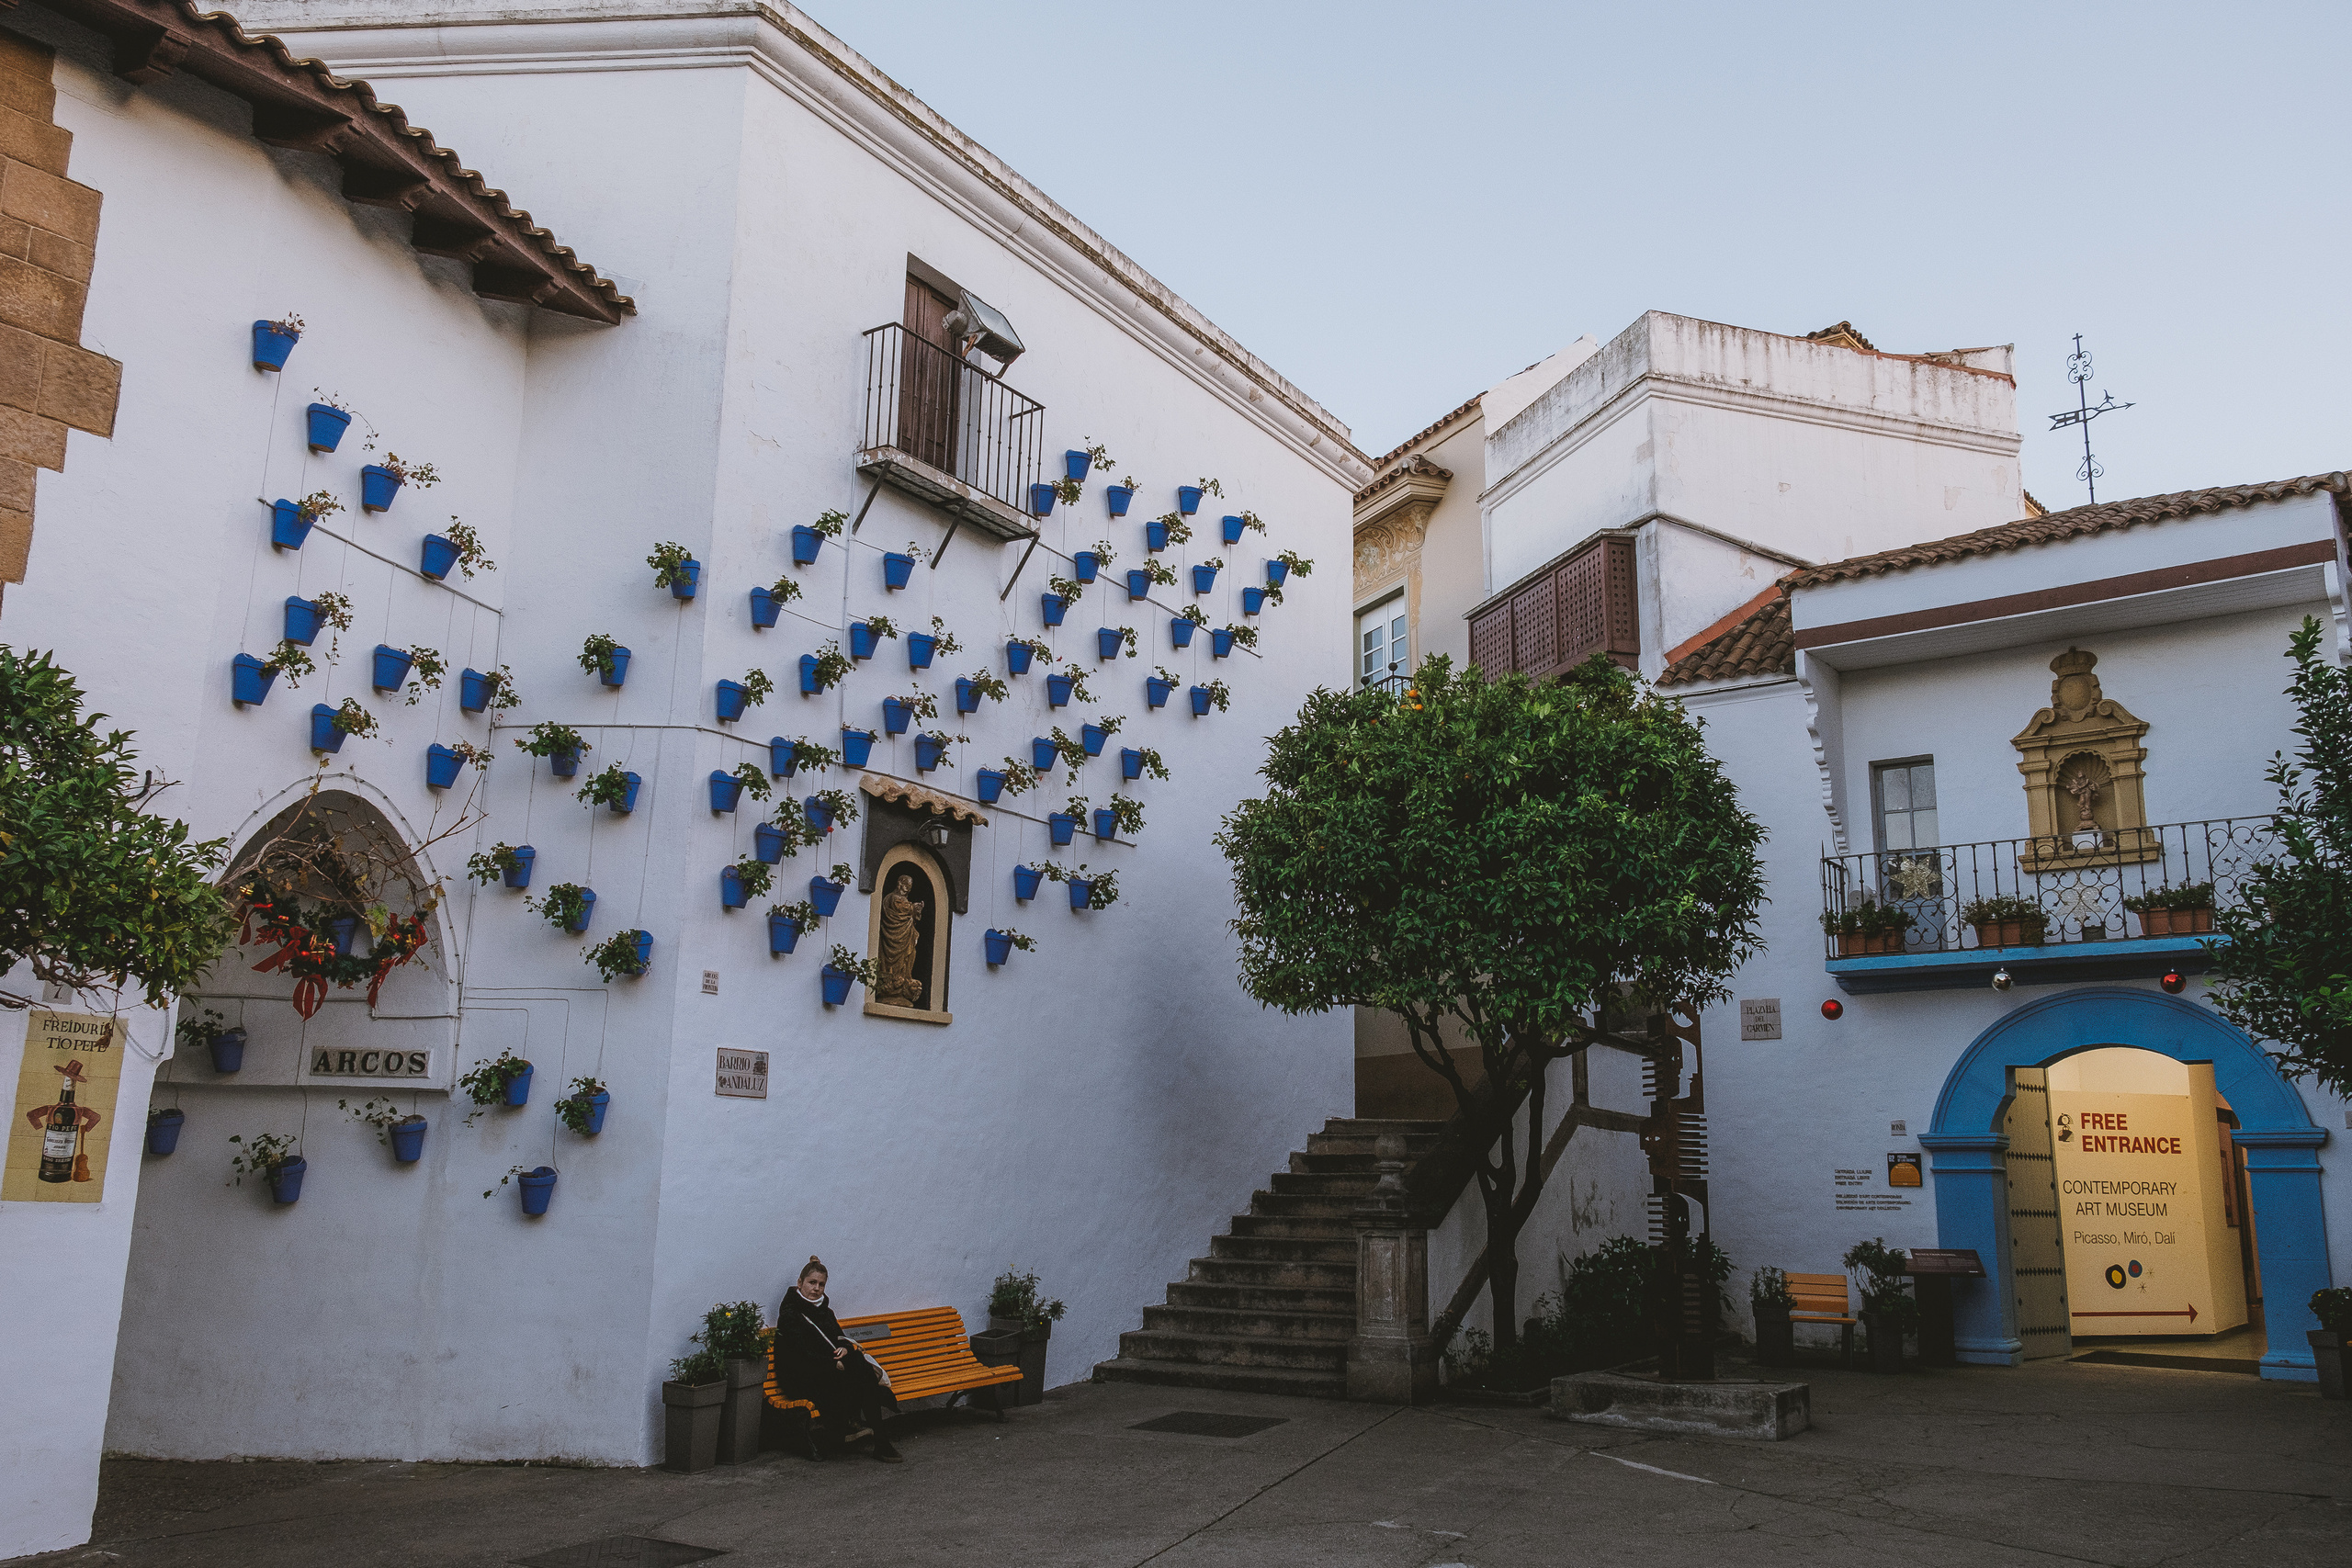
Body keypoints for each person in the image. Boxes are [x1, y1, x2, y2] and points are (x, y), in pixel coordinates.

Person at [772, 1257, 901, 1461]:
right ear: (800, 1283)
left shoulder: (825, 1311)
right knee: (859, 1376)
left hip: (826, 1370)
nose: (816, 1288)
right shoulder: (790, 1314)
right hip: (800, 1376)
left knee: (859, 1365)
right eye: (811, 1283)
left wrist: (845, 1350)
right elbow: (799, 1355)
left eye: (821, 1284)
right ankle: (859, 1433)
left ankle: (881, 1441)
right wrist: (833, 1363)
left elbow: (841, 1339)